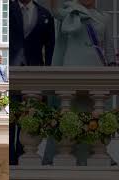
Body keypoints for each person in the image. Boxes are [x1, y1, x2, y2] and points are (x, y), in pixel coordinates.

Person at [47, 0, 116, 166]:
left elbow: (108, 47)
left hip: (96, 68)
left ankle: (93, 154)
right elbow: (55, 10)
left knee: (94, 112)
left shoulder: (104, 17)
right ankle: (69, 154)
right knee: (72, 112)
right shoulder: (69, 11)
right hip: (72, 66)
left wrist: (113, 71)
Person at [10, 0, 55, 165]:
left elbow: (50, 48)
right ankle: (9, 158)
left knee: (29, 117)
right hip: (11, 72)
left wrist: (46, 77)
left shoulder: (45, 14)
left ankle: (23, 157)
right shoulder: (7, 9)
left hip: (35, 73)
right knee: (10, 118)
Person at [50, 0, 115, 67]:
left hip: (96, 64)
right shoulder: (70, 12)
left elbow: (109, 45)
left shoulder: (105, 17)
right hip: (73, 65)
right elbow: (56, 12)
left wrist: (112, 63)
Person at [10, 0, 55, 66]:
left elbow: (50, 44)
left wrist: (47, 66)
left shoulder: (44, 14)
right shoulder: (7, 11)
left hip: (35, 64)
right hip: (10, 64)